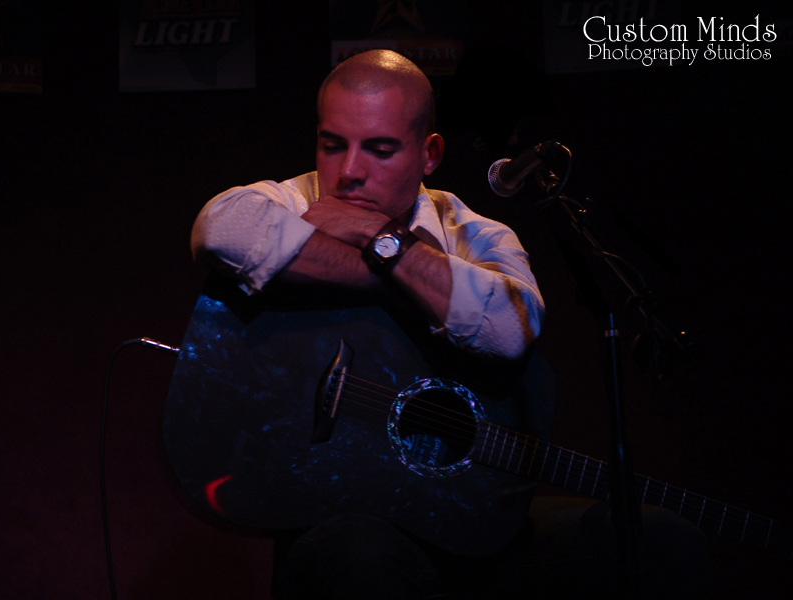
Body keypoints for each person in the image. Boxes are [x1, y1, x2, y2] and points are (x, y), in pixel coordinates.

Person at [191, 50, 708, 599]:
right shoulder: (292, 199)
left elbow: (512, 327)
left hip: (465, 510)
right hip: (345, 514)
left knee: (660, 539)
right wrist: (409, 281)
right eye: (332, 145)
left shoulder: (477, 234)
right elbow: (219, 231)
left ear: (429, 154)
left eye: (380, 149)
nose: (348, 172)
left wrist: (378, 238)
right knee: (359, 554)